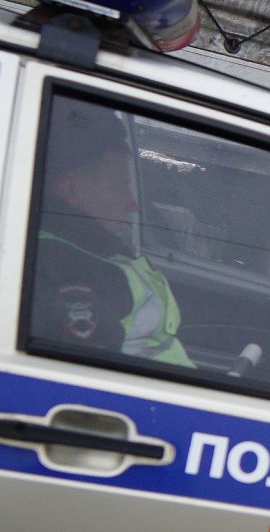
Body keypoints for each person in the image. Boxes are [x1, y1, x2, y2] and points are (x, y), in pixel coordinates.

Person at [30, 100, 195, 367]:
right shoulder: (67, 268)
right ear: (72, 191)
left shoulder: (91, 252)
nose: (131, 203)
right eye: (120, 187)